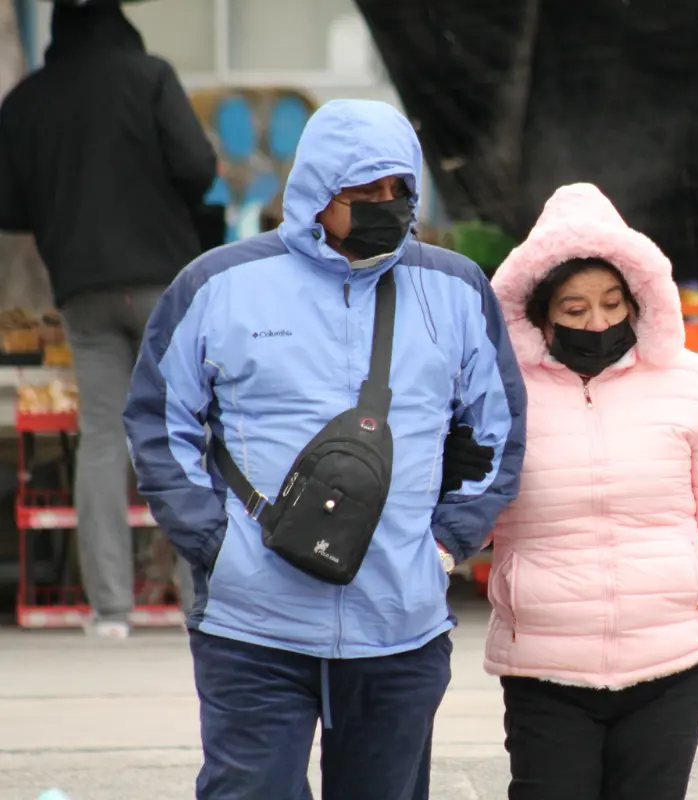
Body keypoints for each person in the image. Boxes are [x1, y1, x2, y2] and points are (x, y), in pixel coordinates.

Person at [122, 99, 526, 799]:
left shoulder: (456, 290)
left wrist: (447, 542)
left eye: (397, 189)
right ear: (316, 192)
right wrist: (212, 542)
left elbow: (500, 428)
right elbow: (160, 418)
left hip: (400, 626)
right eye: (363, 192)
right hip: (253, 626)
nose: (385, 205)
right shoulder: (218, 286)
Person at [486, 182, 698, 800]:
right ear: (539, 313)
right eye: (574, 310)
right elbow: (461, 507)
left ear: (638, 299)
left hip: (672, 666)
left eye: (611, 303)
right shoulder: (499, 392)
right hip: (545, 665)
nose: (597, 322)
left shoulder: (691, 383)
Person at [0, 1, 218, 639]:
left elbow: (8, 207)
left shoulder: (27, 101)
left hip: (82, 288)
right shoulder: (149, 76)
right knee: (185, 428)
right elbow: (199, 169)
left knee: (100, 437)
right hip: (164, 283)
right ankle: (197, 599)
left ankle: (110, 611)